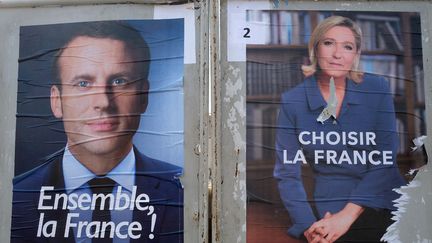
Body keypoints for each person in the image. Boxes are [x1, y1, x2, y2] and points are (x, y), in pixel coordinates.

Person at [11, 21, 183, 243]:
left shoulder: (183, 191)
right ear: (57, 102)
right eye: (83, 84)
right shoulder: (14, 197)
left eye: (120, 81)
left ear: (143, 96)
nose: (103, 102)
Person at [273, 16, 406, 243]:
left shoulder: (377, 88)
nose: (337, 54)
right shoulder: (292, 101)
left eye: (347, 47)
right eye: (328, 43)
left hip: (385, 197)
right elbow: (287, 174)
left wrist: (347, 215)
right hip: (332, 202)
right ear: (315, 48)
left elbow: (385, 159)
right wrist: (308, 226)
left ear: (355, 54)